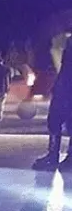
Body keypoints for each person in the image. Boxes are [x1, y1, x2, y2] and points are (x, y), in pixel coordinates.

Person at [34, 34, 72, 169]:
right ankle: (54, 155)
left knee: (63, 123)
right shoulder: (68, 41)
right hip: (63, 88)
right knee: (55, 121)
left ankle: (61, 157)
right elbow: (64, 67)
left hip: (67, 90)